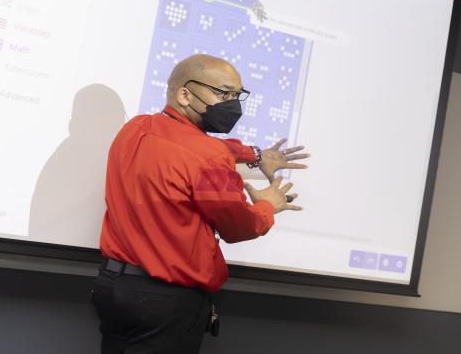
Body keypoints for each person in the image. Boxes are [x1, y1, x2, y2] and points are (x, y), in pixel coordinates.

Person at [92, 54, 309, 353]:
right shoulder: (207, 157)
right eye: (223, 94)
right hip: (165, 301)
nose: (231, 103)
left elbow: (193, 144)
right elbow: (239, 226)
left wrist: (253, 154)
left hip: (113, 288)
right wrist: (268, 205)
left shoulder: (135, 128)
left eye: (236, 95)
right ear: (184, 94)